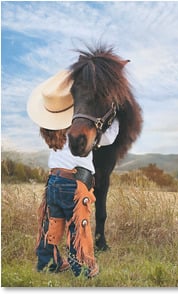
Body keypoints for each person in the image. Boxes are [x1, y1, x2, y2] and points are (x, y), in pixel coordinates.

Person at [27, 70, 119, 278]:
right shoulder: (78, 132)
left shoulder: (51, 132)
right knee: (79, 226)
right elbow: (110, 138)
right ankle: (83, 268)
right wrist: (116, 118)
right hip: (76, 183)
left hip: (53, 181)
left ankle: (48, 263)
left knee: (51, 222)